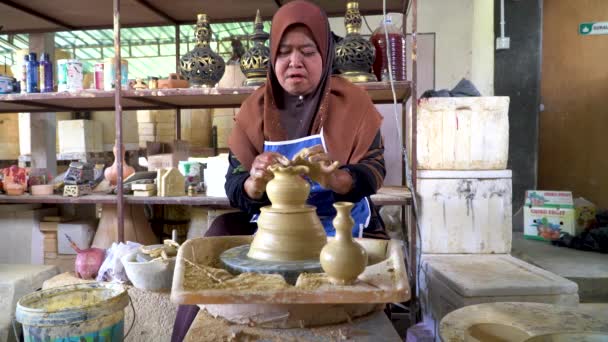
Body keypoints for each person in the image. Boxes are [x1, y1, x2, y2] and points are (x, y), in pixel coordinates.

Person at [171, 1, 386, 340]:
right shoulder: (254, 108)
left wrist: (335, 178)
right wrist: (254, 181)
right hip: (274, 229)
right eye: (284, 52)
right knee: (217, 232)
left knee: (378, 267)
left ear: (326, 55)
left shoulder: (354, 103)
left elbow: (374, 171)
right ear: (272, 56)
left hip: (342, 222)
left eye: (308, 51)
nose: (294, 62)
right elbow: (234, 183)